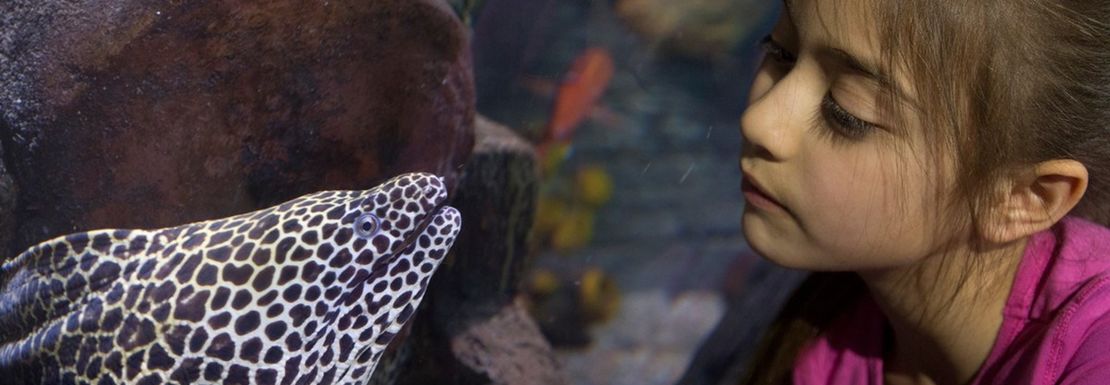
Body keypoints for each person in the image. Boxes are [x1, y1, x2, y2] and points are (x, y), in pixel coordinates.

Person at [737, 0, 1110, 384]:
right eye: (781, 53)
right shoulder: (825, 340)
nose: (759, 122)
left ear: (1021, 198)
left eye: (847, 111)